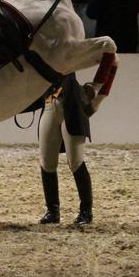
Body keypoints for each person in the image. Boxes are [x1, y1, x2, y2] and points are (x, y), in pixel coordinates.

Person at [37, 73, 100, 226]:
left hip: (71, 106)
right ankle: (52, 211)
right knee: (46, 161)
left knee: (76, 162)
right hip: (49, 103)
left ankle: (86, 211)